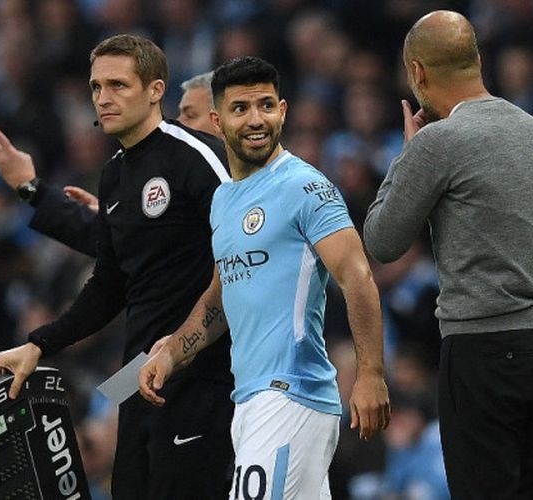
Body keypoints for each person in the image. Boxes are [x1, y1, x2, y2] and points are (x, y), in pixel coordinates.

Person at [363, 10, 533, 500]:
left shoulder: (437, 142)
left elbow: (382, 241)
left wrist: (408, 156)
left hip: (479, 354)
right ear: (477, 60)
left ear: (417, 73)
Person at [0, 34, 234, 499]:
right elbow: (110, 285)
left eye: (118, 85)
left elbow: (242, 264)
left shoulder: (198, 158)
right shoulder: (116, 173)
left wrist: (190, 347)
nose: (104, 98)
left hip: (203, 379)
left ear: (156, 89)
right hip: (139, 380)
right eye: (97, 87)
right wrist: (39, 344)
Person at [139, 56, 391, 499]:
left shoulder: (303, 186)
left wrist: (370, 373)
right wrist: (173, 352)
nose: (256, 119)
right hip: (250, 400)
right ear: (218, 120)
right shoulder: (224, 201)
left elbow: (357, 276)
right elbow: (219, 300)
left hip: (290, 394)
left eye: (266, 106)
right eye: (241, 109)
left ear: (283, 110)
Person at [0, 70, 219, 257]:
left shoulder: (234, 194)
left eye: (189, 115)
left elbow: (127, 245)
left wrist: (29, 186)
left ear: (220, 122)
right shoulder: (164, 182)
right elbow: (120, 240)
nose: (177, 125)